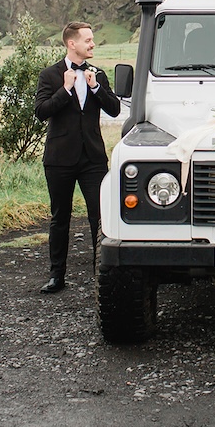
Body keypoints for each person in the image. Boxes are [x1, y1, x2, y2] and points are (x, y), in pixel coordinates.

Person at [34, 21, 121, 294]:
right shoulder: (50, 75)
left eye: (92, 39)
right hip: (59, 158)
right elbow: (42, 111)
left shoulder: (98, 75)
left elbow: (116, 109)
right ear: (72, 44)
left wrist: (95, 88)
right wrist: (66, 89)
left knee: (100, 217)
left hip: (93, 159)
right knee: (60, 217)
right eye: (88, 40)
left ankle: (101, 275)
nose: (93, 44)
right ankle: (56, 276)